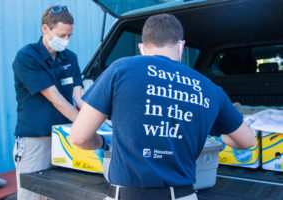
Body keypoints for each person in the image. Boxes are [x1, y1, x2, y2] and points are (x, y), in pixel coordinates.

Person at [70, 14, 256, 200]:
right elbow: (247, 141)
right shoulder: (210, 88)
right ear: (181, 46)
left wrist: (102, 143)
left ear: (141, 48)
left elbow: (79, 137)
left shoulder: (120, 70)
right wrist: (222, 137)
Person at [12, 5, 84, 200]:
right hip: (36, 141)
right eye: (62, 35)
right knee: (32, 195)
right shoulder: (28, 56)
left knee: (61, 194)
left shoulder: (70, 58)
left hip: (64, 139)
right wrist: (86, 126)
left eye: (70, 35)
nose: (66, 41)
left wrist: (98, 120)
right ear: (45, 29)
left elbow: (79, 96)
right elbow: (57, 100)